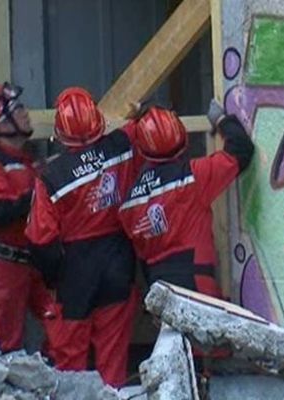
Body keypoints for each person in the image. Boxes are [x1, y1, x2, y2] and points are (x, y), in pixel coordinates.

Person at [25, 87, 142, 387]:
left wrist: (54, 279)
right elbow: (152, 123)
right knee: (113, 359)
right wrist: (139, 107)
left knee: (69, 364)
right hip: (118, 260)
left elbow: (41, 240)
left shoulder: (52, 177)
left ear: (61, 134)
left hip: (74, 271)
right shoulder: (122, 145)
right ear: (98, 121)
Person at [117, 99, 254, 298]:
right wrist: (222, 120)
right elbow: (241, 149)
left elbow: (141, 257)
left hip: (158, 288)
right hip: (196, 281)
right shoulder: (193, 176)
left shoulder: (128, 206)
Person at [0, 82, 54, 353]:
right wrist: (40, 191)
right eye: (16, 110)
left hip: (34, 260)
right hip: (5, 264)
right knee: (6, 345)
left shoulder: (24, 160)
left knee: (61, 324)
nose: (26, 114)